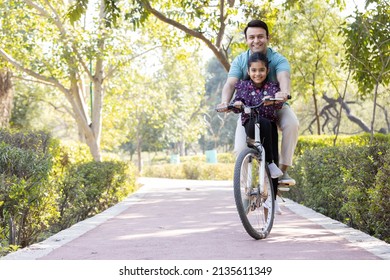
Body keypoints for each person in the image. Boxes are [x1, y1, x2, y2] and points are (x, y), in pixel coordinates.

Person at [217, 19, 299, 186]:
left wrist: (284, 93)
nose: (256, 41)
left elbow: (284, 77)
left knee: (292, 124)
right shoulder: (240, 61)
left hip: (275, 106)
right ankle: (245, 191)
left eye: (260, 36)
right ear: (246, 39)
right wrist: (225, 102)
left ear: (268, 37)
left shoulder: (278, 59)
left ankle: (282, 172)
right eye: (251, 37)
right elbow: (230, 83)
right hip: (250, 110)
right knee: (240, 148)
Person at [229, 52, 283, 179]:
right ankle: (247, 184)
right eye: (254, 70)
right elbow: (238, 102)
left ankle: (271, 166)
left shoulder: (272, 87)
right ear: (248, 71)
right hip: (251, 123)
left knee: (269, 131)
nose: (257, 74)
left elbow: (279, 105)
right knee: (259, 122)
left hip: (269, 126)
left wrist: (274, 100)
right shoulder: (243, 86)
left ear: (267, 70)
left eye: (261, 70)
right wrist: (237, 104)